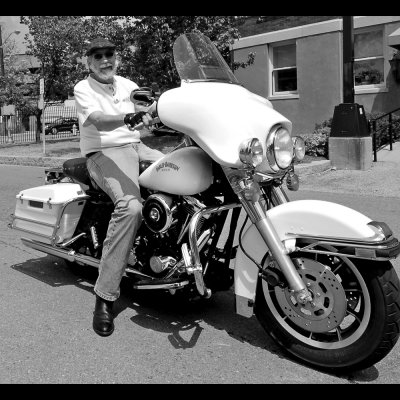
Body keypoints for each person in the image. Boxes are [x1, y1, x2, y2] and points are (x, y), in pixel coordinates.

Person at [74, 37, 164, 337]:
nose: (104, 60)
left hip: (137, 146)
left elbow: (145, 120)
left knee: (188, 170)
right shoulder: (83, 88)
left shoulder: (128, 84)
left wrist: (155, 114)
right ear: (89, 62)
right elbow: (98, 120)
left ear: (117, 57)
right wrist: (129, 116)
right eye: (97, 56)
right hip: (104, 153)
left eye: (109, 54)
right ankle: (105, 295)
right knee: (131, 207)